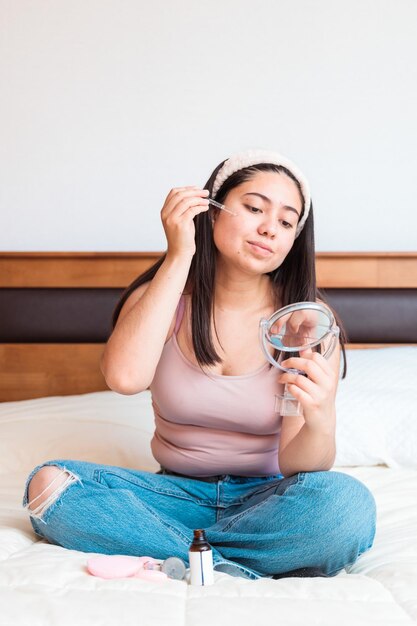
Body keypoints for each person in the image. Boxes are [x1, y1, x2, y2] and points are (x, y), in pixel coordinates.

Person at [23, 149, 376, 580]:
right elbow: (125, 378)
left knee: (346, 506)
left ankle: (183, 553)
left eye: (287, 222)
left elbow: (297, 466)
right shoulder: (163, 301)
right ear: (211, 212)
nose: (269, 228)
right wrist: (179, 255)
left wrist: (320, 417)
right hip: (172, 492)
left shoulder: (305, 323)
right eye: (253, 208)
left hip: (266, 500)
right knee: (49, 487)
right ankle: (228, 567)